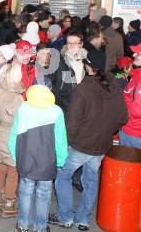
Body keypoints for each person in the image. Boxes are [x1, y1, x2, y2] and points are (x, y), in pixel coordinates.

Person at [49, 50, 128, 231]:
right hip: (102, 146)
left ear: (87, 66)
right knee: (91, 180)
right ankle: (83, 219)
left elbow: (73, 122)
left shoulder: (83, 88)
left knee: (62, 176)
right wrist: (106, 131)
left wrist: (66, 143)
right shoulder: (113, 85)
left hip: (81, 145)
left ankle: (65, 217)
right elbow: (123, 116)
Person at [9, 85, 68, 232]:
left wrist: (15, 158)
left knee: (25, 191)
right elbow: (61, 141)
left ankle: (23, 225)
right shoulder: (57, 112)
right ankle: (40, 227)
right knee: (43, 194)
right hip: (47, 162)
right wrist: (60, 161)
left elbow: (13, 138)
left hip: (26, 160)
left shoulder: (23, 109)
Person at [0, 57, 23, 219]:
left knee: (1, 165)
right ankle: (8, 203)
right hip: (12, 137)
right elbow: (21, 122)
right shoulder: (18, 98)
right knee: (13, 171)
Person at [50, 29, 87, 114]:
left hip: (82, 107)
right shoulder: (58, 62)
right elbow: (50, 85)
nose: (72, 46)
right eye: (69, 43)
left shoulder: (87, 63)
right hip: (63, 108)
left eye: (75, 43)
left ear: (81, 44)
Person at [119, 40, 141, 148]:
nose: (134, 54)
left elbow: (138, 111)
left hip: (134, 134)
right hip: (128, 129)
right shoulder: (136, 76)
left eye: (138, 53)